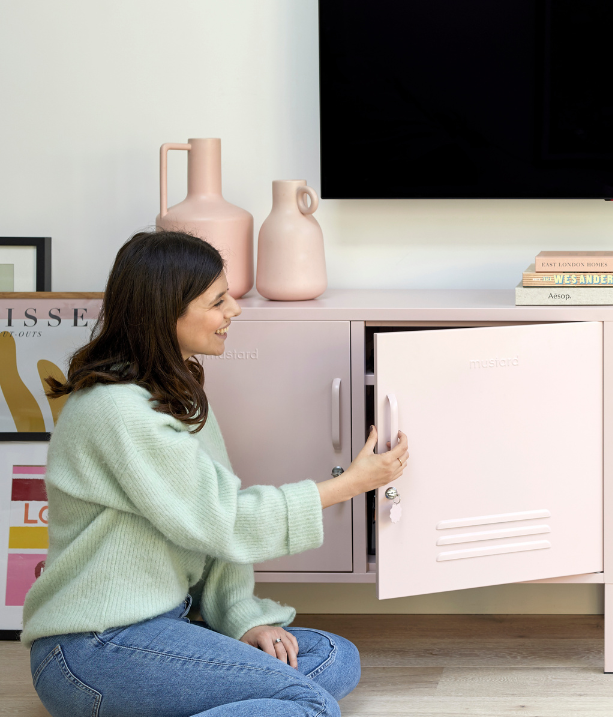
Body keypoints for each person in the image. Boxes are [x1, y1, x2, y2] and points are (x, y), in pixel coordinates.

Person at [22, 231, 408, 716]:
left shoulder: (173, 396)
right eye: (218, 301)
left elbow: (212, 528)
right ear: (167, 311)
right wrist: (348, 485)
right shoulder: (117, 412)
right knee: (308, 705)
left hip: (162, 625)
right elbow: (226, 520)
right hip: (93, 647)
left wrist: (242, 621)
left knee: (333, 658)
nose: (236, 311)